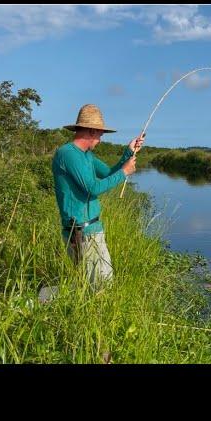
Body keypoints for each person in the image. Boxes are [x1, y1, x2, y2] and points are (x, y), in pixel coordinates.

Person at [51, 103, 145, 289]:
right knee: (101, 285)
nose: (100, 139)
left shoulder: (87, 156)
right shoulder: (67, 154)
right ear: (92, 131)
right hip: (81, 233)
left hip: (92, 229)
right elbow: (93, 188)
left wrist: (129, 152)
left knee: (94, 284)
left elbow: (109, 173)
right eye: (100, 134)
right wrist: (124, 173)